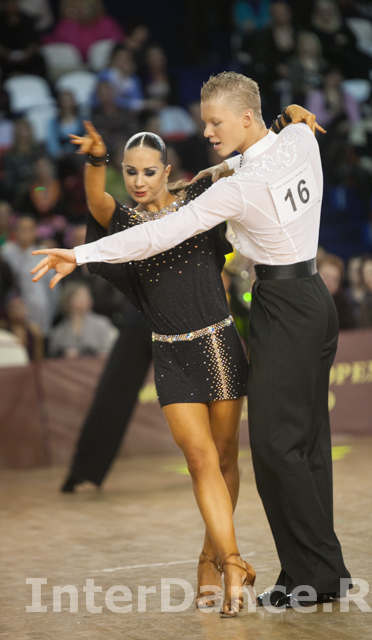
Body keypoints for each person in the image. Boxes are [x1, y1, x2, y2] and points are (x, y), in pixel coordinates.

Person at [31, 74, 352, 612]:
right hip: (316, 298)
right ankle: (320, 572)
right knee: (309, 441)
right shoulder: (299, 138)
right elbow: (281, 130)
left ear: (245, 118)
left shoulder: (237, 186)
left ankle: (312, 573)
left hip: (280, 306)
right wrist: (287, 115)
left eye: (214, 122)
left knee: (275, 448)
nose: (205, 132)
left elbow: (157, 234)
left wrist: (81, 254)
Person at [35, 120, 252, 617]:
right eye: (130, 172)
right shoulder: (124, 224)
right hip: (169, 354)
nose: (138, 180)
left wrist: (288, 123)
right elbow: (97, 201)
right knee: (199, 461)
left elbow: (252, 162)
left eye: (148, 171)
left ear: (166, 171)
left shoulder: (199, 202)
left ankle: (210, 561)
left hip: (218, 345)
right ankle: (234, 562)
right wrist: (96, 160)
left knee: (224, 459)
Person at [61, 300, 153, 492]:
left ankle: (217, 458)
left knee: (203, 384)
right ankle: (83, 470)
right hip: (142, 313)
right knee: (112, 395)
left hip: (181, 313)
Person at [48, 281, 116, 357]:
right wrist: (64, 353)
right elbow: (52, 355)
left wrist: (88, 353)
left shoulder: (102, 323)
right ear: (68, 300)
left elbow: (110, 351)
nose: (86, 299)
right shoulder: (59, 331)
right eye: (80, 296)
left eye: (87, 295)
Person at [318, 253, 356, 329]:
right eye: (326, 276)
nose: (329, 282)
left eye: (335, 279)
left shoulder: (343, 305)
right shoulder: (302, 300)